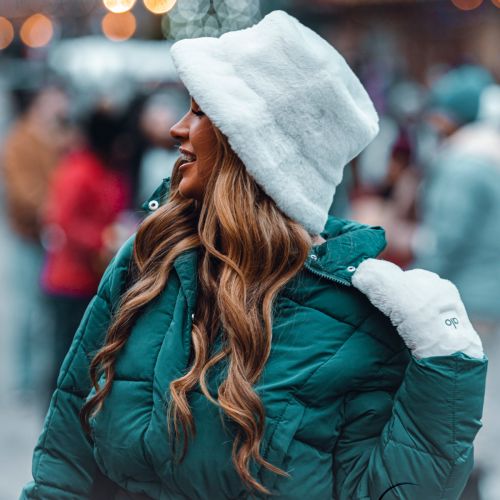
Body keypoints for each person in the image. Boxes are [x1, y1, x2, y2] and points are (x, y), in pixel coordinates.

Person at [22, 11, 487, 499]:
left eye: (201, 112)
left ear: (255, 149)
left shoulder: (354, 316)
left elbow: (390, 490)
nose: (178, 129)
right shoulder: (150, 260)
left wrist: (447, 363)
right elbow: (66, 457)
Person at [40, 107, 131, 403]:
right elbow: (62, 220)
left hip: (93, 278)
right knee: (63, 354)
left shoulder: (106, 170)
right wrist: (100, 240)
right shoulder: (78, 170)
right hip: (69, 281)